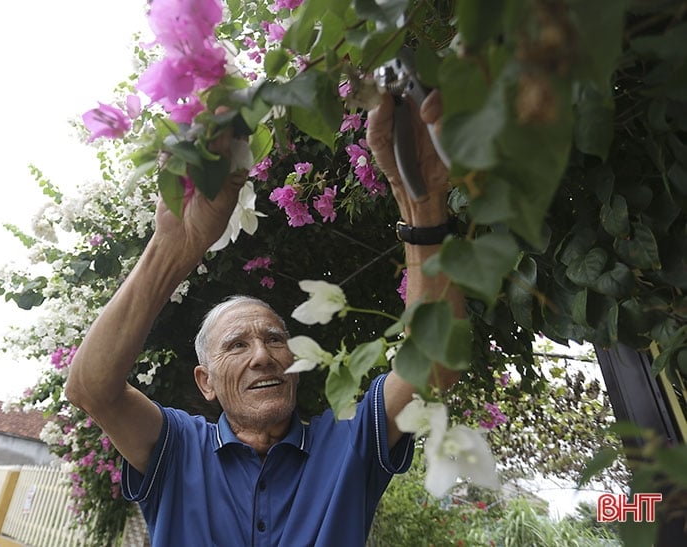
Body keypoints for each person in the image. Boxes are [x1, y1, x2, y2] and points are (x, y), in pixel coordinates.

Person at [65, 91, 465, 546]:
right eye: (236, 345)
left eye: (276, 340)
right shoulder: (176, 448)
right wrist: (173, 247)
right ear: (205, 381)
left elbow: (434, 366)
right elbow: (90, 389)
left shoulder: (349, 443)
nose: (263, 356)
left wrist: (423, 207)